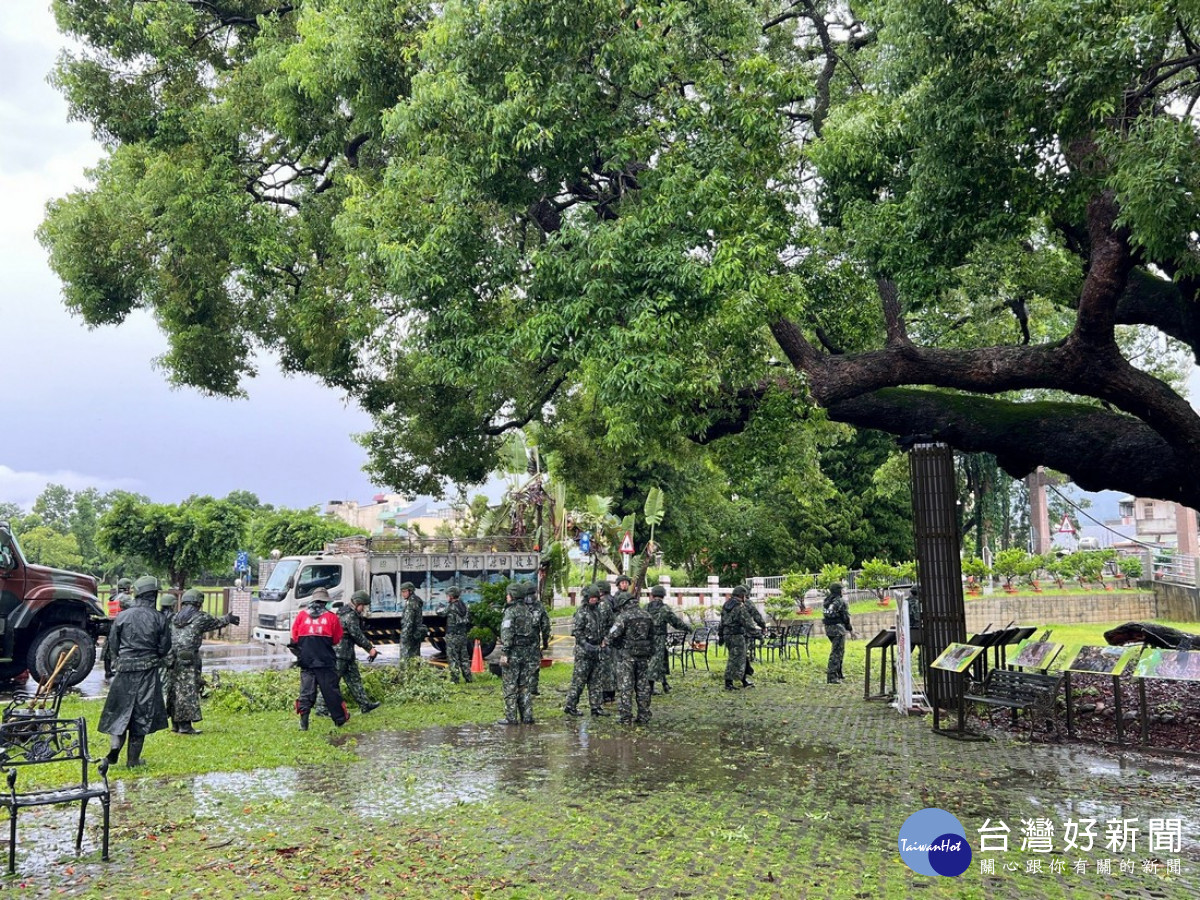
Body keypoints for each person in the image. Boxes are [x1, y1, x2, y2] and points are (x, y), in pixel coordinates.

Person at [99, 575, 172, 767]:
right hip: (147, 670)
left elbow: (113, 645)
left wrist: (121, 660)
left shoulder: (122, 616)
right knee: (142, 715)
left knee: (119, 712)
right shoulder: (159, 618)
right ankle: (133, 760)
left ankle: (115, 748)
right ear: (153, 595)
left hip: (124, 669)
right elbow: (165, 647)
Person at [167, 588, 240, 734]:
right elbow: (216, 622)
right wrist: (228, 618)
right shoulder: (200, 617)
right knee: (187, 691)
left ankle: (175, 724)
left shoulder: (174, 618)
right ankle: (185, 727)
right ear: (198, 603)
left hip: (172, 658)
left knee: (174, 690)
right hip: (188, 658)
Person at [291, 586, 349, 729]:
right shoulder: (332, 617)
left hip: (306, 660)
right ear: (325, 602)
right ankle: (340, 720)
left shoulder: (301, 616)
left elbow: (295, 637)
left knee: (306, 691)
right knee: (331, 691)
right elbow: (336, 639)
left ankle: (304, 723)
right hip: (325, 661)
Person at [317, 591, 381, 716]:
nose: (363, 609)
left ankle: (365, 704)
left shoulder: (343, 611)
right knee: (332, 681)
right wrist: (370, 648)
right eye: (363, 605)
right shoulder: (350, 615)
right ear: (357, 603)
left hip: (347, 653)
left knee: (354, 679)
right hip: (340, 654)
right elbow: (356, 635)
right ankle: (321, 708)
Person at [603, 589, 655, 725]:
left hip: (627, 656)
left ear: (623, 604)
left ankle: (625, 717)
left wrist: (606, 642)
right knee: (643, 686)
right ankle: (643, 715)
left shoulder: (623, 617)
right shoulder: (647, 615)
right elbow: (652, 636)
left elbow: (612, 634)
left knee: (626, 687)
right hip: (643, 656)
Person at [497, 582, 541, 725]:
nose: (506, 597)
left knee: (510, 685)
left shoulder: (511, 612)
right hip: (526, 653)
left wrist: (505, 653)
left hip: (514, 653)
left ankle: (511, 717)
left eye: (508, 594)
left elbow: (507, 634)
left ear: (513, 596)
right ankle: (527, 716)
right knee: (524, 686)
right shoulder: (527, 611)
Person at [563, 585, 610, 717]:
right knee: (579, 681)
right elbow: (577, 631)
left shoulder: (598, 612)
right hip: (584, 652)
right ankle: (570, 705)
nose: (594, 600)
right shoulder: (581, 612)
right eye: (592, 598)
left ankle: (596, 707)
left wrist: (604, 643)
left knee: (596, 681)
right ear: (587, 598)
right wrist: (585, 644)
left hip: (597, 650)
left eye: (596, 598)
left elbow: (603, 628)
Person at [646, 584, 687, 694]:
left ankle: (665, 684)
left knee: (659, 661)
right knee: (655, 662)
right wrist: (687, 628)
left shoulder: (646, 607)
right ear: (663, 595)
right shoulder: (664, 609)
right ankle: (650, 688)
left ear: (652, 595)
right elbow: (675, 622)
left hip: (647, 638)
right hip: (659, 638)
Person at [719, 586, 760, 690]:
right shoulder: (739, 607)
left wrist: (720, 635)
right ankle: (729, 683)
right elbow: (748, 623)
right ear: (742, 595)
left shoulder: (726, 605)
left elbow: (721, 622)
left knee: (740, 658)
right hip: (737, 636)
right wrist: (758, 635)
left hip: (727, 635)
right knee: (735, 659)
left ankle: (743, 680)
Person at [103, 578, 134, 679]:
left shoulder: (114, 597)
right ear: (127, 587)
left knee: (108, 648)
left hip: (112, 624)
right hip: (121, 625)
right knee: (120, 648)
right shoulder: (126, 598)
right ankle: (118, 670)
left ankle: (108, 671)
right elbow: (135, 608)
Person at [822, 582, 853, 684]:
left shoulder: (827, 601)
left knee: (837, 651)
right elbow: (845, 617)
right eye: (842, 589)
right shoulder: (840, 601)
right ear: (839, 591)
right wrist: (850, 628)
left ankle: (838, 674)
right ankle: (832, 677)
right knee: (837, 653)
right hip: (838, 629)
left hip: (828, 629)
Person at [441, 586, 473, 684]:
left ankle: (455, 679)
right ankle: (468, 678)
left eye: (447, 595)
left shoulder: (451, 606)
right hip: (462, 635)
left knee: (452, 658)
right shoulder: (464, 605)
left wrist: (438, 607)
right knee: (464, 657)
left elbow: (442, 613)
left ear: (451, 596)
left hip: (452, 636)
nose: (446, 597)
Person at [528, 582, 551, 696]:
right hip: (533, 642)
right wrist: (545, 643)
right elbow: (545, 627)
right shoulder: (539, 606)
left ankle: (521, 688)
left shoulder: (517, 606)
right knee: (533, 665)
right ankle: (532, 689)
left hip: (517, 644)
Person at [596, 580, 617, 703]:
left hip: (604, 639)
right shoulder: (613, 600)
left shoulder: (603, 604)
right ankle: (611, 693)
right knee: (612, 666)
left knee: (605, 667)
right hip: (613, 638)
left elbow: (601, 623)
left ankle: (606, 694)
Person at [398, 581, 428, 660]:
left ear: (410, 591)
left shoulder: (411, 604)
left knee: (406, 660)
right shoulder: (415, 601)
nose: (403, 594)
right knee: (414, 658)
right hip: (415, 634)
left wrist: (404, 638)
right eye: (402, 592)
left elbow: (409, 622)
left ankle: (409, 672)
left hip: (410, 636)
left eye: (404, 592)